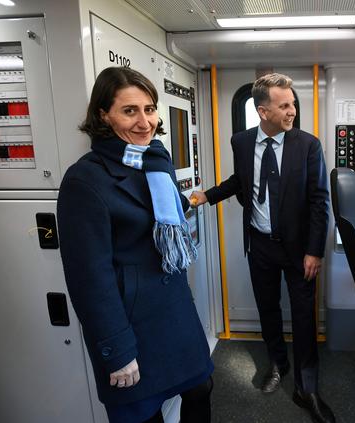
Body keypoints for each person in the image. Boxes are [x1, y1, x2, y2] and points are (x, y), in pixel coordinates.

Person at [57, 67, 213, 423]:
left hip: (174, 313)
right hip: (132, 327)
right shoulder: (85, 180)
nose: (145, 122)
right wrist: (116, 351)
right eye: (130, 111)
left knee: (202, 389)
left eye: (150, 109)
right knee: (141, 415)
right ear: (103, 114)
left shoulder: (156, 161)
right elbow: (88, 278)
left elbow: (167, 217)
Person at [190, 73, 334, 422]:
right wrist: (206, 196)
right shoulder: (240, 142)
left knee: (303, 316)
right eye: (284, 105)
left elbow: (319, 201)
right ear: (262, 111)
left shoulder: (307, 145)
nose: (292, 111)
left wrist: (315, 251)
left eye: (293, 104)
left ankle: (307, 387)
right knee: (267, 309)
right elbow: (242, 181)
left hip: (300, 250)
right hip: (259, 244)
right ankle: (277, 365)